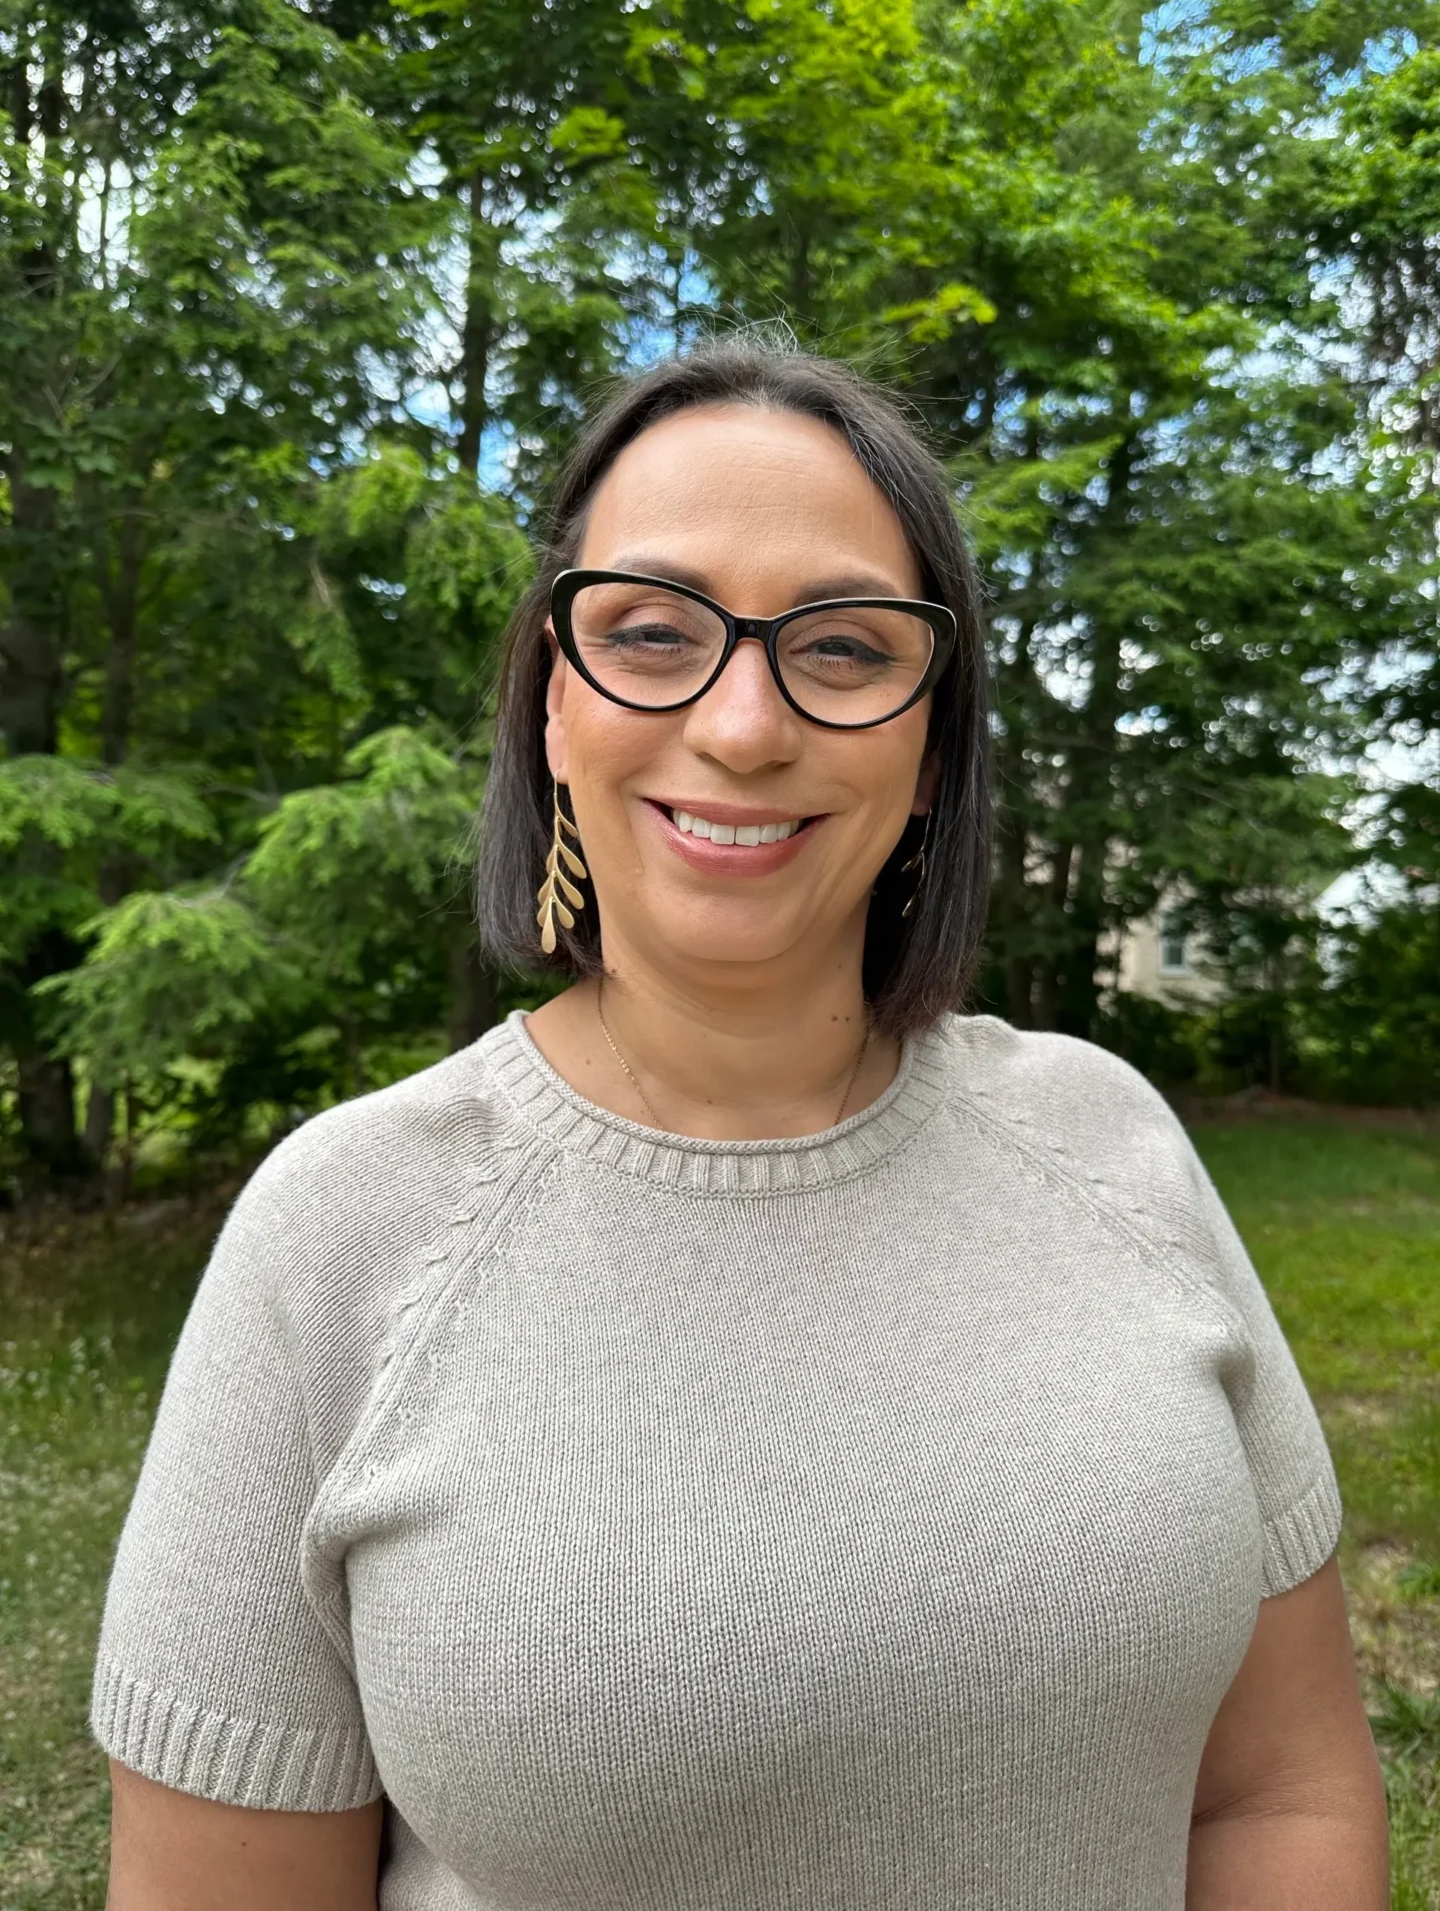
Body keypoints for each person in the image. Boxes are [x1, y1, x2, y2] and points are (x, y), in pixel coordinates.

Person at [94, 332, 1388, 1910]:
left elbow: (1278, 1800)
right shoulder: (345, 1228)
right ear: (553, 706)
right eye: (651, 631)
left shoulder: (1109, 1142)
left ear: (928, 744)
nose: (745, 723)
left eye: (842, 649)